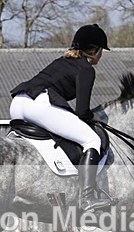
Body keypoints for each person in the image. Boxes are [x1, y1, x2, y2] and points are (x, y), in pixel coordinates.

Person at [9, 24, 114, 212]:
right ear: (95, 51)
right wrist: (94, 117)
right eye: (101, 51)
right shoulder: (86, 69)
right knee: (92, 139)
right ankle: (88, 197)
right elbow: (82, 112)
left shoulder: (62, 61)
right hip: (39, 104)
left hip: (18, 103)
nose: (101, 55)